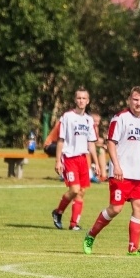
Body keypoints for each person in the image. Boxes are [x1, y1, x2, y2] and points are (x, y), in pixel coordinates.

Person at [83, 86, 140, 256]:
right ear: (129, 100)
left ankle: (133, 248)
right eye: (135, 100)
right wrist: (116, 165)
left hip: (138, 175)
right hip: (121, 173)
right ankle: (91, 235)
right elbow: (111, 143)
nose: (138, 103)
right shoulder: (120, 118)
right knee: (116, 209)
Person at [51, 89, 100, 231]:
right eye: (79, 98)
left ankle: (74, 224)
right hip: (69, 158)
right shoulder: (67, 117)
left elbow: (91, 143)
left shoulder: (89, 120)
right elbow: (61, 140)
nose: (81, 100)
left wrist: (96, 163)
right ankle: (58, 212)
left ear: (88, 101)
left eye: (84, 98)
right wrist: (58, 161)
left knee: (81, 191)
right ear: (75, 100)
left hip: (82, 159)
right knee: (74, 189)